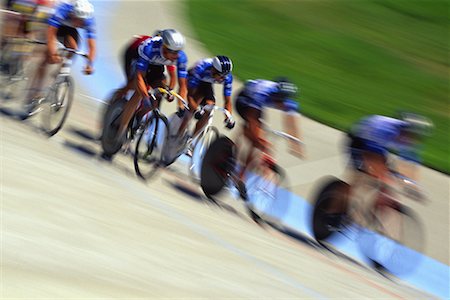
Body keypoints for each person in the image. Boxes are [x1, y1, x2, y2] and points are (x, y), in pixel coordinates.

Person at [234, 77, 305, 199]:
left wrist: (296, 143)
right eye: (279, 100)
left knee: (259, 141)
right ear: (275, 94)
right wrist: (257, 138)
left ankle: (241, 175)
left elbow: (292, 124)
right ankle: (233, 152)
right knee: (255, 139)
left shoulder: (288, 102)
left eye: (283, 101)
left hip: (257, 106)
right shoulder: (261, 94)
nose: (281, 104)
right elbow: (252, 119)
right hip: (244, 100)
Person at [116, 28, 188, 142]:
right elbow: (140, 76)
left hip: (155, 64)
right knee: (136, 90)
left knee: (160, 90)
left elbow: (182, 84)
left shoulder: (180, 57)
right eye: (173, 52)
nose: (176, 56)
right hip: (134, 56)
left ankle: (139, 116)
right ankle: (120, 131)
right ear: (164, 47)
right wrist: (145, 97)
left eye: (178, 52)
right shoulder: (150, 48)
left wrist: (179, 104)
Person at [25, 0, 96, 113]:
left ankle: (60, 75)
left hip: (68, 28)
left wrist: (90, 64)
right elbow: (51, 34)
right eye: (77, 19)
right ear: (72, 13)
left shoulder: (88, 20)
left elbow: (92, 46)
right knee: (47, 56)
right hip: (52, 24)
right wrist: (52, 53)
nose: (79, 23)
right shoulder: (62, 11)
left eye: (81, 21)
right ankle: (36, 90)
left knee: (73, 48)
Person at [347, 112, 434, 186]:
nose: (413, 140)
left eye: (418, 137)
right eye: (412, 136)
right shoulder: (385, 131)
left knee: (384, 175)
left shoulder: (410, 140)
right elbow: (373, 157)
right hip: (360, 140)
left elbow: (411, 163)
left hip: (377, 143)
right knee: (362, 174)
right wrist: (387, 176)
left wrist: (412, 183)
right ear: (405, 131)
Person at [180, 55, 235, 156]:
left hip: (206, 83)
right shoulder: (201, 69)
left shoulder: (227, 77)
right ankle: (180, 132)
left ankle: (190, 140)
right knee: (193, 105)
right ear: (213, 70)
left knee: (210, 107)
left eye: (225, 76)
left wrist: (228, 117)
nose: (223, 79)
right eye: (221, 76)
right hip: (193, 79)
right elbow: (190, 95)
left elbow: (227, 101)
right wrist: (196, 110)